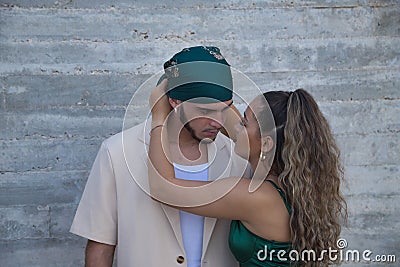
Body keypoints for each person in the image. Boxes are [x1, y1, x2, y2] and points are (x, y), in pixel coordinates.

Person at [70, 46, 251, 267]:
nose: (219, 121)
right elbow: (101, 247)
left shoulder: (238, 156)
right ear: (174, 101)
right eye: (205, 111)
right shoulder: (117, 152)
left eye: (226, 109)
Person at [148, 83, 348, 266]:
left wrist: (158, 117)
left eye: (244, 123)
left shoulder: (255, 196)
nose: (235, 127)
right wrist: (210, 84)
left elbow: (163, 188)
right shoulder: (291, 183)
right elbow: (242, 131)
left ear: (267, 144)